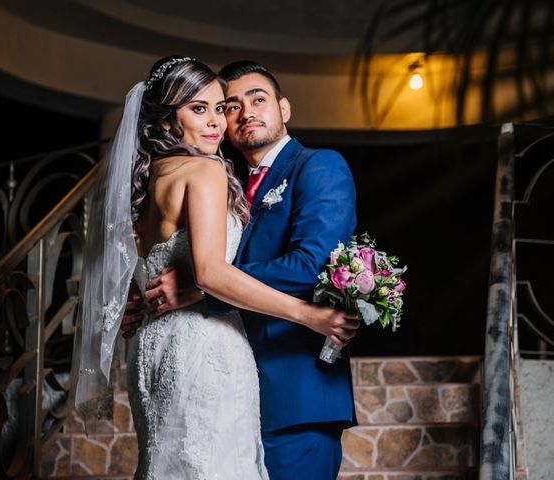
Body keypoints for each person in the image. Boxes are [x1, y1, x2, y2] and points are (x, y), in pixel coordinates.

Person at [76, 56, 358, 480]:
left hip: (292, 393)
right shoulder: (213, 173)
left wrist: (200, 286)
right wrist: (140, 291)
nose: (240, 113)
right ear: (171, 120)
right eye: (228, 105)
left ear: (284, 108)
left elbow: (309, 265)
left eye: (257, 99)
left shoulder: (319, 166)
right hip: (210, 371)